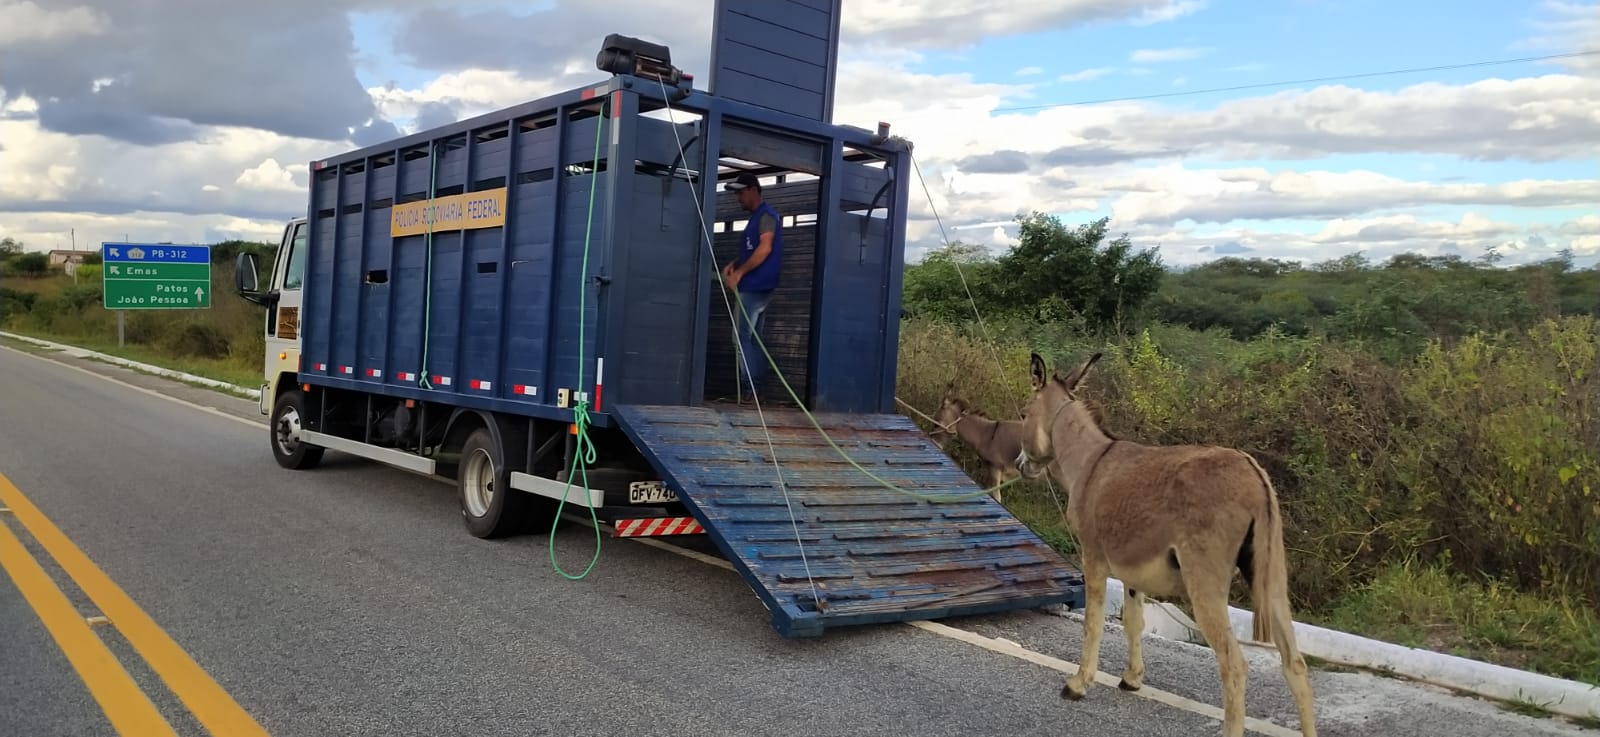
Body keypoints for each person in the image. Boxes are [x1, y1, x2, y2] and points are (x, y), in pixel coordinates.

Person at [721, 172, 782, 400]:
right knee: (754, 339)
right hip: (758, 285)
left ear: (753, 190)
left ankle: (750, 391)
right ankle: (756, 388)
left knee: (740, 338)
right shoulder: (757, 217)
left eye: (740, 192)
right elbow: (753, 249)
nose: (738, 197)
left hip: (755, 286)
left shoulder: (766, 216)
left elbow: (765, 249)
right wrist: (735, 263)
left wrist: (739, 273)